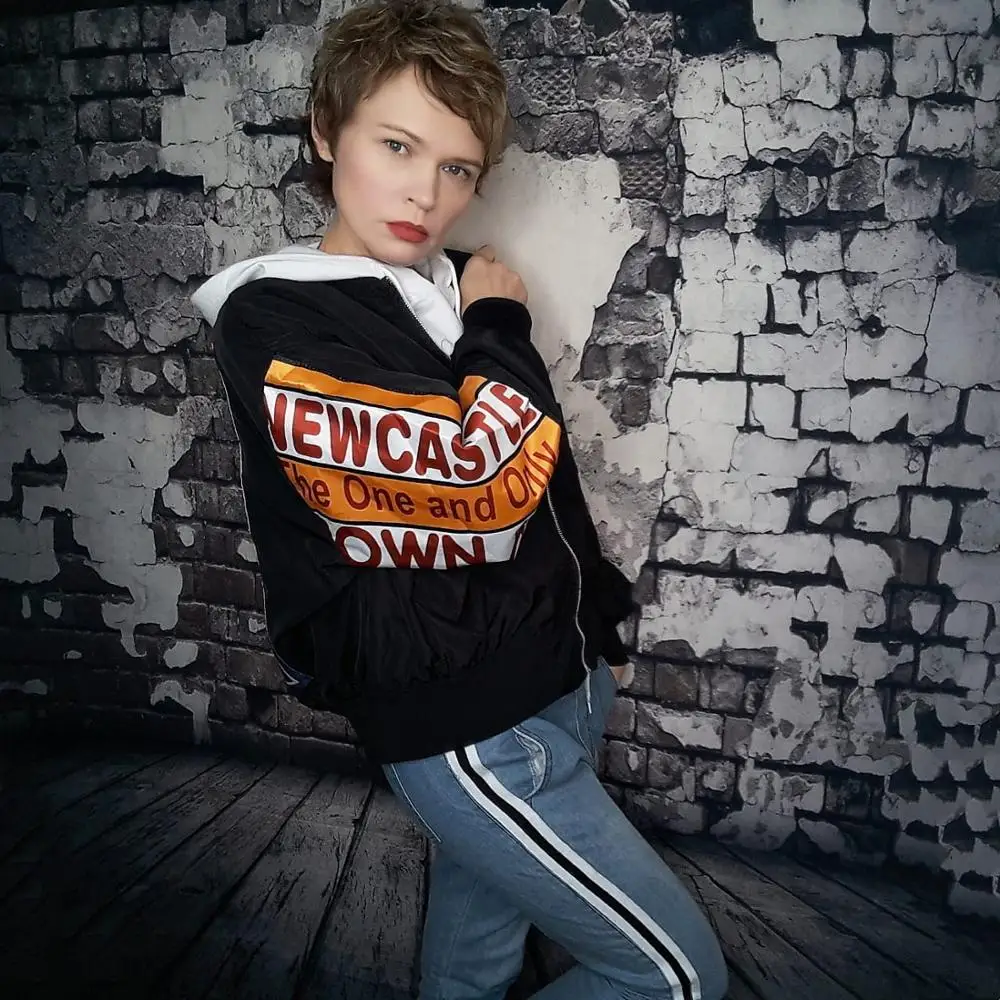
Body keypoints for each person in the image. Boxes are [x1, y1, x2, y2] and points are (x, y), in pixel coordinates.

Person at [190, 2, 727, 998]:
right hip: (473, 730)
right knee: (674, 978)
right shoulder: (277, 315)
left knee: (474, 972)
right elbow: (479, 487)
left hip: (558, 684)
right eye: (396, 146)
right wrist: (498, 321)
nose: (425, 193)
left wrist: (593, 619)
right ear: (325, 131)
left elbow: (541, 477)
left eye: (458, 168)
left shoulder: (438, 287)